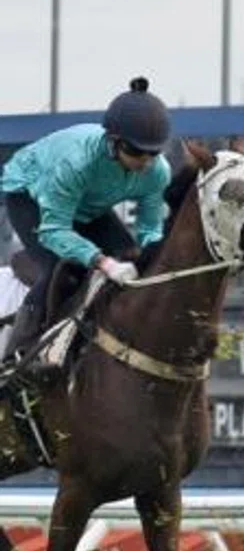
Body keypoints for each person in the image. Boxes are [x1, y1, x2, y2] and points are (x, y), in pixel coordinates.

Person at [0, 77, 171, 356]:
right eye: (136, 152)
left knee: (130, 257)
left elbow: (150, 229)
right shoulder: (77, 161)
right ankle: (16, 357)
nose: (145, 162)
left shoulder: (157, 171)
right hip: (30, 194)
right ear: (114, 142)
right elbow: (54, 230)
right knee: (58, 269)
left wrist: (153, 259)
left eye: (154, 153)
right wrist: (102, 262)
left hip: (87, 204)